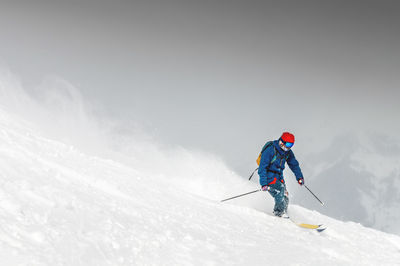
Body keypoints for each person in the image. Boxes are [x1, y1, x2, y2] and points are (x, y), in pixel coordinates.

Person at [258, 132, 304, 217]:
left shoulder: (288, 152)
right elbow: (262, 168)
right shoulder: (270, 150)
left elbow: (294, 165)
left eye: (291, 145)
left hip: (279, 176)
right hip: (269, 175)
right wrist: (263, 183)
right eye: (288, 144)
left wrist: (299, 177)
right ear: (281, 142)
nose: (289, 147)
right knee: (280, 191)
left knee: (285, 196)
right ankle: (279, 213)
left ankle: (284, 212)